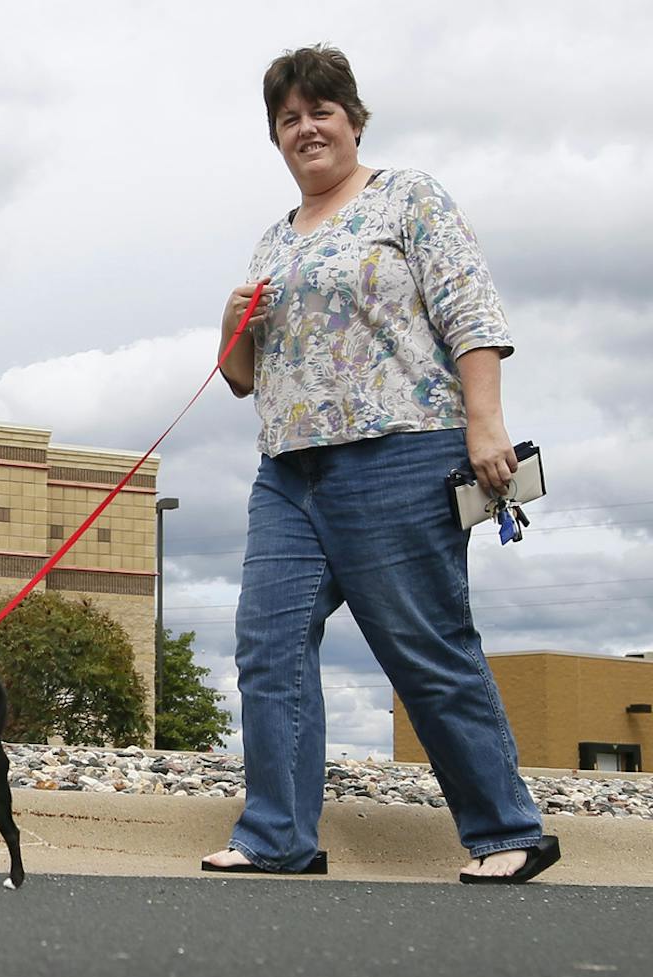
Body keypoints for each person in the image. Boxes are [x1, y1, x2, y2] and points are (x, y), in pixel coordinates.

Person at [201, 45, 559, 884]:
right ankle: (277, 836)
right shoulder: (273, 239)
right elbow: (242, 378)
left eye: (320, 110)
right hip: (288, 470)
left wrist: (485, 425)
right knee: (268, 647)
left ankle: (509, 828)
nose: (306, 128)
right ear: (276, 139)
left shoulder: (409, 197)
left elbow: (470, 309)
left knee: (423, 646)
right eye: (288, 119)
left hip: (402, 451)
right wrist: (229, 325)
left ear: (353, 121)